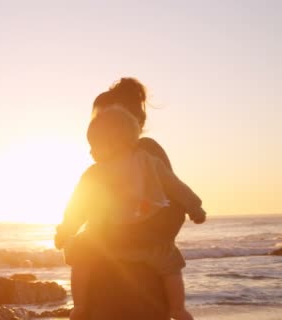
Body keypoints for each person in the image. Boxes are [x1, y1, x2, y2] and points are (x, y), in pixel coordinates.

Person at [54, 78, 206, 320]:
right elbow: (80, 206)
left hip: (136, 280)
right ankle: (81, 306)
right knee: (83, 254)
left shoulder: (147, 153)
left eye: (106, 121)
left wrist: (132, 236)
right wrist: (68, 229)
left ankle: (178, 308)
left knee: (168, 265)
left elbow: (173, 206)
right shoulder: (100, 168)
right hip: (110, 270)